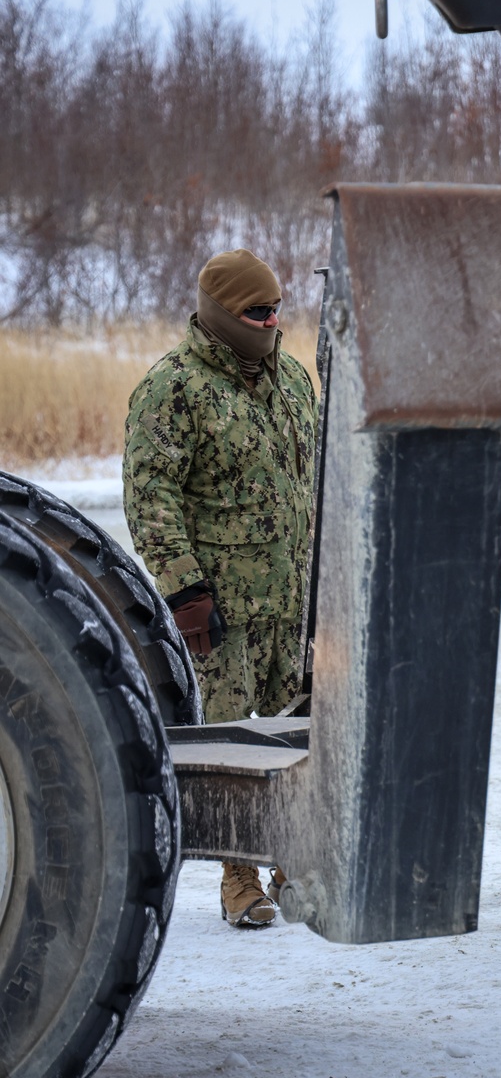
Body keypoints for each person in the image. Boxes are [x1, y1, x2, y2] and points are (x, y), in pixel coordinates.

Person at [124, 248, 318, 929]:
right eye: (255, 312)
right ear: (218, 315)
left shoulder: (293, 378)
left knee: (296, 726)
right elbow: (151, 497)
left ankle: (292, 859)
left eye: (276, 310)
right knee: (234, 737)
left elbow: (314, 483)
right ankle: (240, 878)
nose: (270, 322)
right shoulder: (173, 388)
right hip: (223, 607)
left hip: (292, 599)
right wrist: (182, 590)